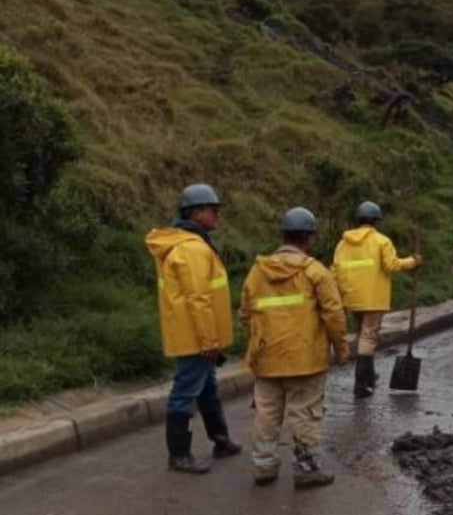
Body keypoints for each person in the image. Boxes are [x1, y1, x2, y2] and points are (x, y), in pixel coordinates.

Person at [241, 207, 350, 488]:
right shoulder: (315, 271)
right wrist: (341, 347)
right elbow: (334, 314)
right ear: (309, 238)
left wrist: (258, 341)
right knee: (305, 412)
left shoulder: (258, 271)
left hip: (266, 358)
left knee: (267, 412)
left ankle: (263, 467)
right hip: (305, 358)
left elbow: (245, 313)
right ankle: (306, 469)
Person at [145, 183, 242, 474]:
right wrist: (210, 340)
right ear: (196, 212)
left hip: (192, 333)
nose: (217, 216)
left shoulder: (187, 244)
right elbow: (198, 298)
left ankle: (220, 439)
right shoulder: (191, 249)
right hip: (196, 336)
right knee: (185, 392)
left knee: (207, 387)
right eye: (213, 210)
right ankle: (179, 454)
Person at [332, 201, 422, 398]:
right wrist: (413, 261)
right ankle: (360, 384)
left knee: (362, 334)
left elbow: (335, 270)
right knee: (369, 337)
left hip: (351, 297)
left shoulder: (342, 243)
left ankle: (370, 376)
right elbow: (391, 265)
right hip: (373, 298)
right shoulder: (381, 241)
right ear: (376, 221)